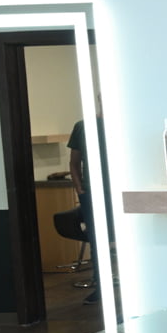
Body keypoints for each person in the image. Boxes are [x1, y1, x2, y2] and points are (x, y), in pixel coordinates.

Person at [66, 111, 108, 306]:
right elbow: (74, 163)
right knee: (97, 241)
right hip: (92, 193)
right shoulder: (82, 126)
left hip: (120, 191)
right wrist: (80, 190)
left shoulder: (126, 121)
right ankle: (101, 287)